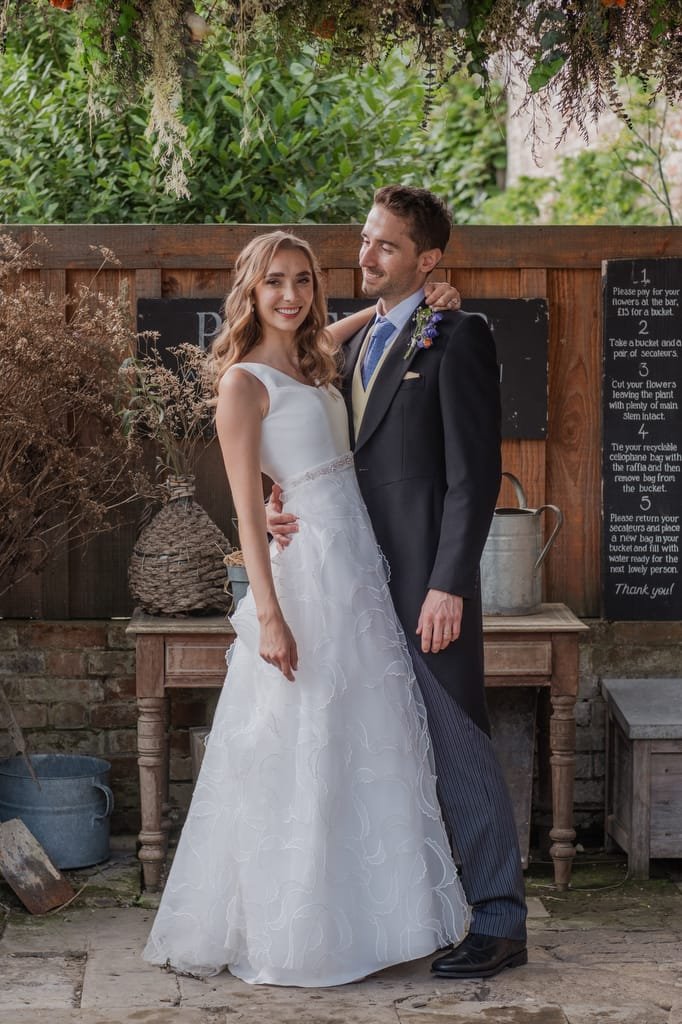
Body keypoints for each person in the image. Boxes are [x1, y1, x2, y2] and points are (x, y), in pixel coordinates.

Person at [142, 230, 470, 986]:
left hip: (358, 567)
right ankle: (300, 929)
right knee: (305, 738)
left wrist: (428, 300)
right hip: (307, 576)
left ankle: (382, 920)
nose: (289, 296)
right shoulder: (242, 383)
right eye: (273, 285)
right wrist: (270, 615)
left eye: (301, 281)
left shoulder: (314, 357)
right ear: (250, 294)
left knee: (369, 736)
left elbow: (351, 328)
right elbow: (249, 512)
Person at [268, 186, 528, 980]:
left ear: (429, 260)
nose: (366, 255)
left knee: (456, 743)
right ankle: (415, 913)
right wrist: (284, 498)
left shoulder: (457, 335)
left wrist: (450, 583)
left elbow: (473, 475)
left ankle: (500, 920)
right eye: (366, 240)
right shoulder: (355, 344)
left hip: (423, 588)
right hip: (349, 585)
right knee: (379, 753)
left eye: (386, 245)